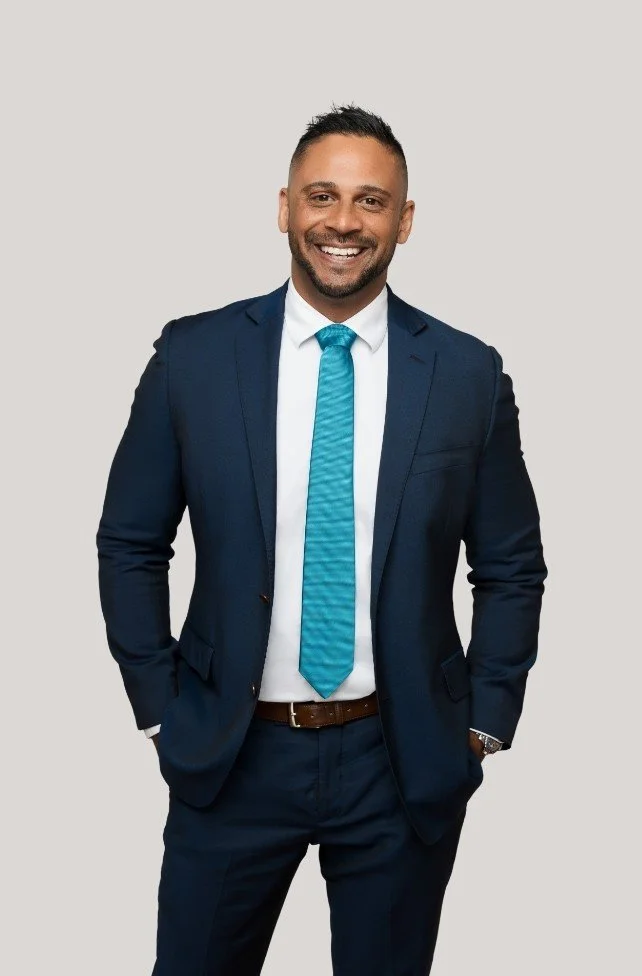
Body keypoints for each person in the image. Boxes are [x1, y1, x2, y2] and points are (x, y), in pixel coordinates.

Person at [96, 104, 547, 975]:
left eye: (371, 201)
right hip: (230, 753)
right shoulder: (193, 358)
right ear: (284, 208)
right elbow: (128, 541)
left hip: (403, 756)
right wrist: (160, 707)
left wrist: (484, 723)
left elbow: (511, 565)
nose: (344, 222)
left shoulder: (466, 375)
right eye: (323, 197)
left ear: (404, 220)